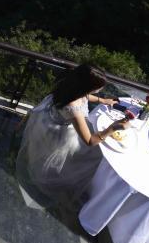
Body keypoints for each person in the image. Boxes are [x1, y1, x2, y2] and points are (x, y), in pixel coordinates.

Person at [15, 64, 128, 209]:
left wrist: (102, 101)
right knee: (96, 155)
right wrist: (113, 128)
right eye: (98, 87)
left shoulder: (71, 86)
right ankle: (86, 188)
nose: (101, 89)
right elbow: (90, 141)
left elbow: (86, 96)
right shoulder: (72, 107)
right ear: (87, 86)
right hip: (62, 135)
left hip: (52, 122)